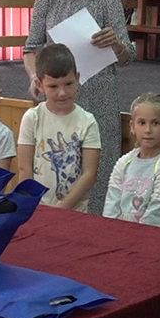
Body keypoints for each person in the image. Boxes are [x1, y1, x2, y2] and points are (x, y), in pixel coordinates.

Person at [22, 0, 135, 216]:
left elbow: (128, 56)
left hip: (98, 98)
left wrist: (116, 43)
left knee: (96, 179)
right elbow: (31, 48)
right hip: (55, 100)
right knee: (53, 169)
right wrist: (35, 77)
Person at [17, 44, 100, 211]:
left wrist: (62, 208)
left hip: (74, 212)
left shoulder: (88, 122)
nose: (62, 92)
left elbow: (89, 174)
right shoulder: (32, 118)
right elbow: (24, 168)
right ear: (40, 85)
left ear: (77, 78)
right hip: (37, 208)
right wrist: (29, 204)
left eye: (68, 84)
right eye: (53, 86)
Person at [103, 92, 160, 228]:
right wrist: (110, 231)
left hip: (147, 237)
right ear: (132, 126)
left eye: (155, 123)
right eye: (142, 123)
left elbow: (155, 218)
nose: (148, 130)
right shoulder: (124, 163)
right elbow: (111, 205)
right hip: (115, 234)